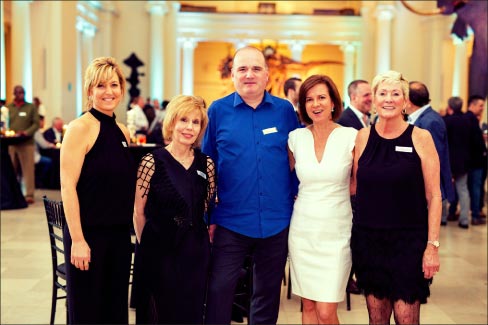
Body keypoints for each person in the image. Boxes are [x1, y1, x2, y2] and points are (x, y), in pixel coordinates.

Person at [202, 46, 300, 325]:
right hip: (230, 221)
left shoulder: (284, 111)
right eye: (242, 69)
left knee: (267, 294)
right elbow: (208, 166)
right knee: (220, 289)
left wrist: (294, 201)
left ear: (267, 75)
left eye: (256, 69)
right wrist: (209, 215)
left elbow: (295, 160)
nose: (249, 75)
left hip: (276, 220)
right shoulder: (218, 111)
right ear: (232, 75)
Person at [351, 70, 441, 324]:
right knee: (376, 319)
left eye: (395, 93)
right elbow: (355, 187)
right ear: (374, 99)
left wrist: (432, 247)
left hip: (408, 242)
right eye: (382, 93)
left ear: (405, 101)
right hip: (369, 242)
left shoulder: (421, 137)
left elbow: (434, 195)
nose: (388, 99)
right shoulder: (362, 137)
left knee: (406, 318)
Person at [60, 56, 136, 324]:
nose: (109, 92)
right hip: (88, 236)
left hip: (118, 237)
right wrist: (78, 240)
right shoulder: (80, 128)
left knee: (115, 311)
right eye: (101, 86)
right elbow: (67, 186)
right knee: (87, 313)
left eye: (114, 85)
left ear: (122, 89)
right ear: (90, 91)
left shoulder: (122, 132)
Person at [132, 94, 216, 324]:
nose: (189, 127)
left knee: (190, 312)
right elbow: (138, 212)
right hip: (159, 254)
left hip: (195, 254)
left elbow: (205, 207)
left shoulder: (206, 164)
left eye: (196, 122)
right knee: (159, 313)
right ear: (172, 122)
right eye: (184, 120)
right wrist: (148, 247)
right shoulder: (151, 161)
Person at [287, 74, 357, 324]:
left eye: (321, 98)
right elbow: (281, 178)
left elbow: (358, 185)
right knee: (308, 307)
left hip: (336, 232)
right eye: (309, 99)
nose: (315, 104)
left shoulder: (352, 136)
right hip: (303, 230)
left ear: (334, 102)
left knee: (327, 312)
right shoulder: (296, 138)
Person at [405, 81, 455, 226]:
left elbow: (433, 160)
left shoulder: (430, 121)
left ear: (408, 101)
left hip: (425, 189)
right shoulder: (423, 118)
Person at [7, 85, 40, 204]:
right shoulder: (8, 108)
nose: (21, 94)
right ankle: (11, 194)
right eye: (18, 92)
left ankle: (29, 195)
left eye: (22, 92)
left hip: (26, 143)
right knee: (10, 169)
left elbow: (36, 124)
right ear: (14, 94)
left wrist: (26, 132)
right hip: (11, 143)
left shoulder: (30, 107)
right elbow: (4, 122)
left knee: (28, 170)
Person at [444, 97, 473, 228]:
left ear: (449, 106)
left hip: (448, 160)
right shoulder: (467, 121)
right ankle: (464, 219)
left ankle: (442, 217)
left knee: (443, 188)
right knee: (463, 190)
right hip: (463, 160)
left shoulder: (446, 121)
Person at [465, 95, 487, 225]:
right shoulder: (471, 120)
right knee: (475, 188)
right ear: (472, 105)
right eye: (480, 105)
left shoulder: (469, 119)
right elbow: (475, 142)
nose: (482, 108)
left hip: (471, 161)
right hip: (476, 162)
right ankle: (475, 214)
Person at [34, 115, 56, 188]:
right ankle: (40, 179)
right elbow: (43, 145)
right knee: (50, 162)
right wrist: (52, 145)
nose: (44, 123)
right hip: (34, 156)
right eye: (43, 121)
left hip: (34, 155)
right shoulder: (36, 131)